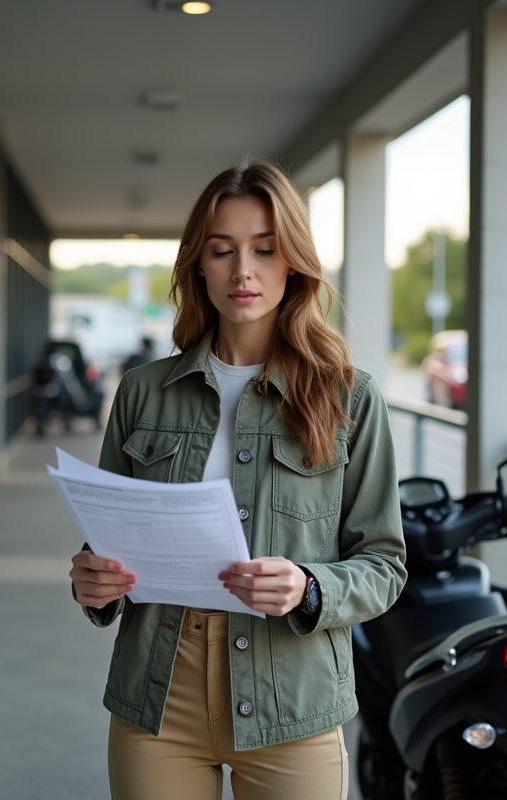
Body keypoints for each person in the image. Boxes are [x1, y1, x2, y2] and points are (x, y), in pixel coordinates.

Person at [68, 159, 406, 799]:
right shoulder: (143, 393)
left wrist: (309, 587)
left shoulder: (349, 398)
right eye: (221, 251)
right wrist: (95, 581)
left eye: (264, 249)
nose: (242, 271)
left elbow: (385, 565)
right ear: (198, 264)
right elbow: (105, 542)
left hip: (293, 695)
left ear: (294, 263)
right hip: (159, 690)